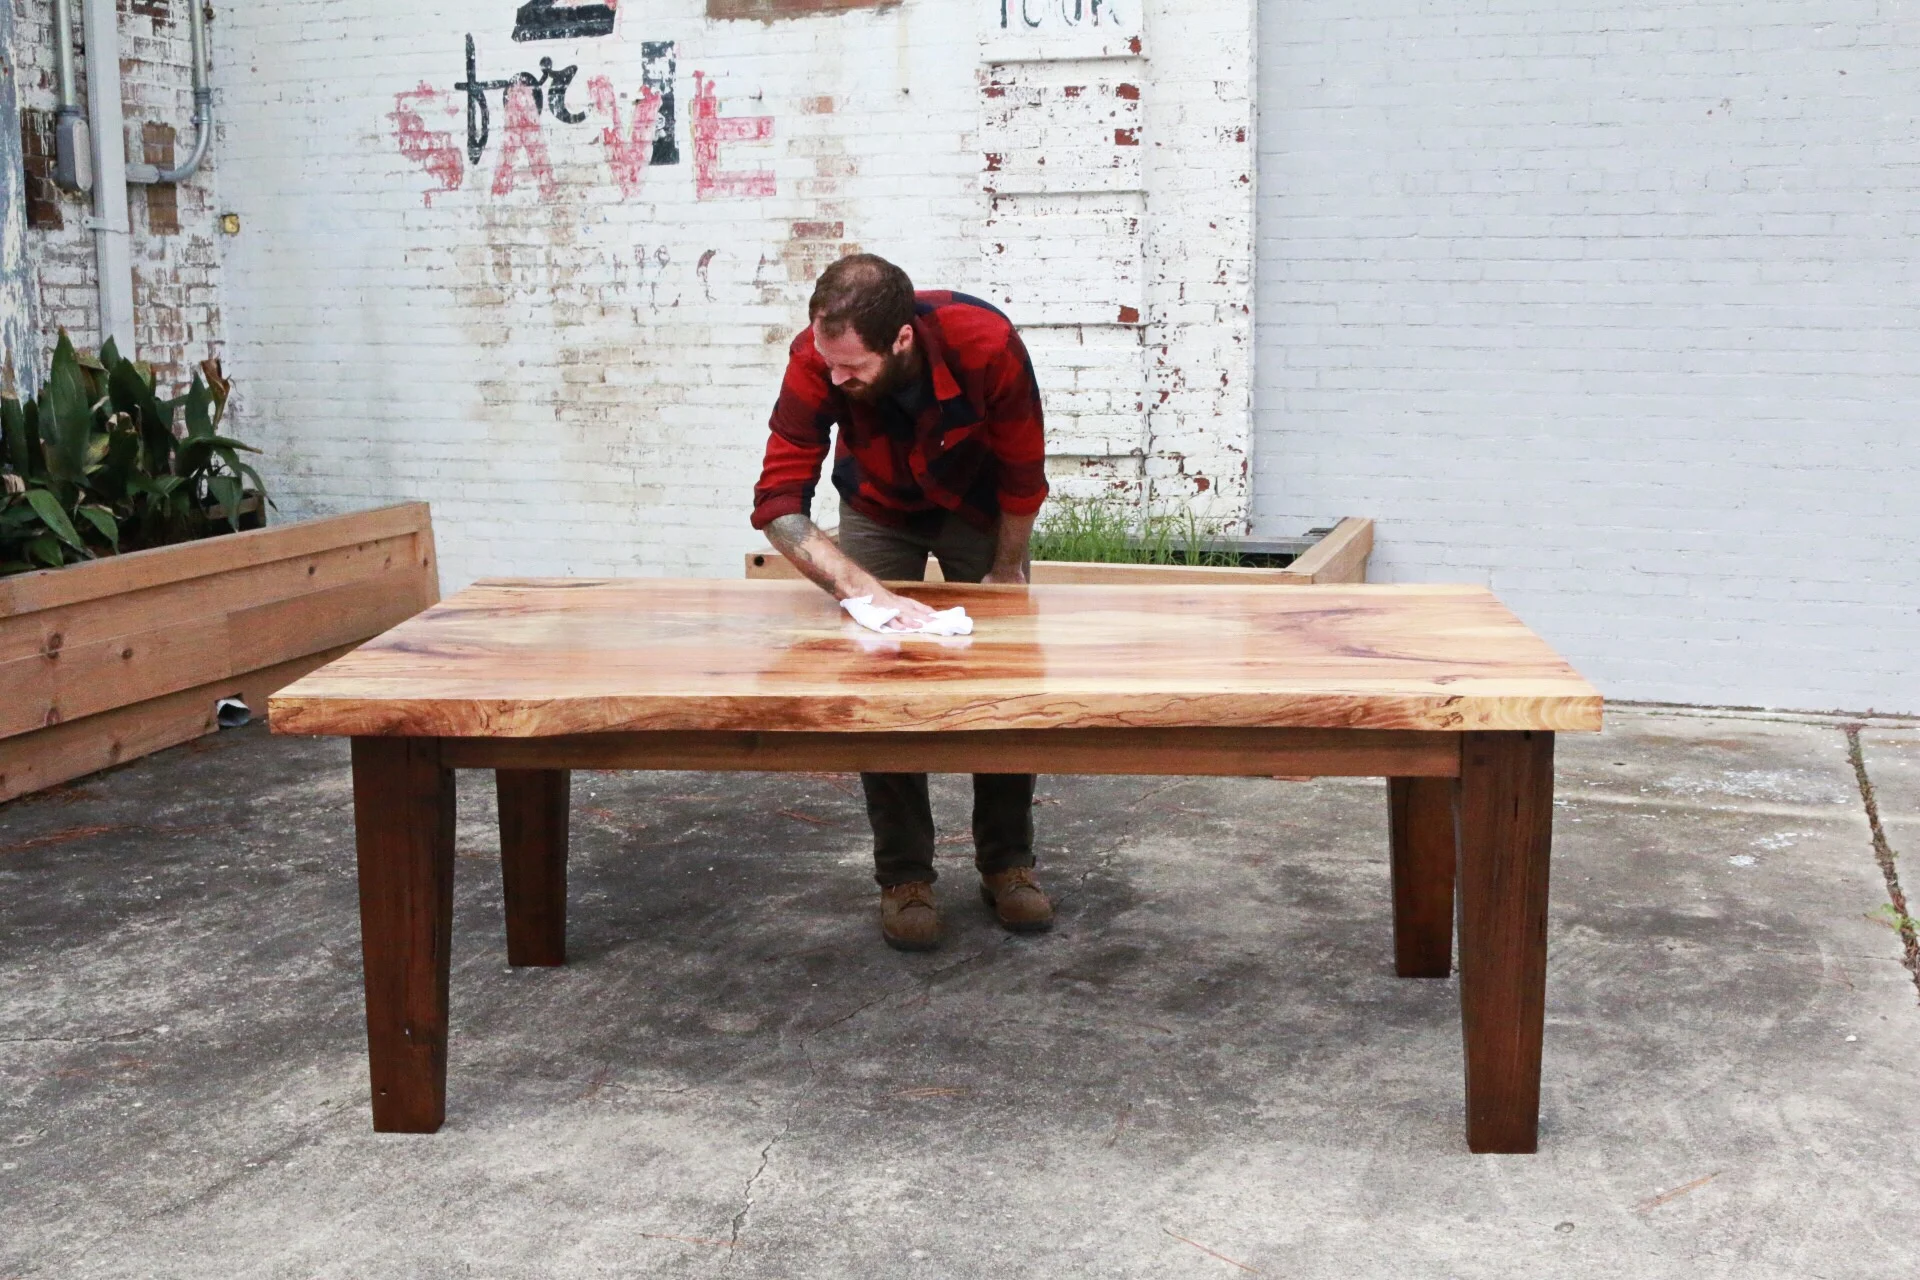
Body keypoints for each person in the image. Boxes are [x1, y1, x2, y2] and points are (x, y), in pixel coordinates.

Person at [750, 253, 1054, 952]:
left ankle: (1007, 866)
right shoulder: (817, 355)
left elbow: (1022, 471)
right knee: (877, 676)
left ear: (903, 341)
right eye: (828, 362)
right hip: (878, 507)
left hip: (980, 509)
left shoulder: (987, 343)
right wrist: (863, 591)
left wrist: (1006, 572)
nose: (835, 378)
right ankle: (905, 878)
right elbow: (777, 502)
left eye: (852, 368)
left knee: (1005, 680)